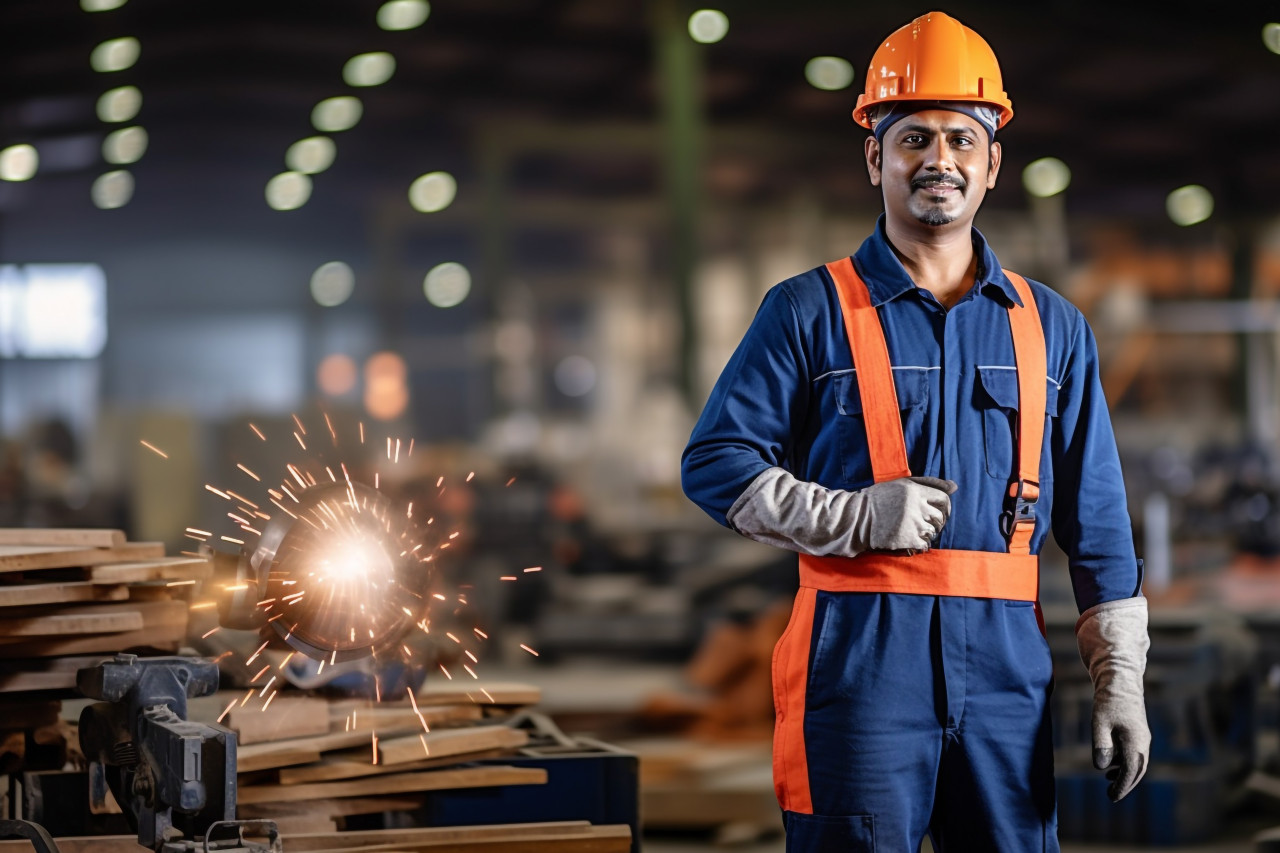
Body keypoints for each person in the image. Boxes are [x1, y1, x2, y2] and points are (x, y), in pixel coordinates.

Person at [681, 11, 1149, 851]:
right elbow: (715, 463)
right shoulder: (807, 311)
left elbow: (1099, 522)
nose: (940, 160)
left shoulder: (1054, 329)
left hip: (1008, 680)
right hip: (859, 674)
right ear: (876, 158)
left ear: (993, 163)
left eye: (963, 139)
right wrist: (853, 518)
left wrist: (1122, 681)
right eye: (915, 138)